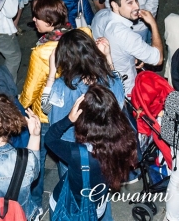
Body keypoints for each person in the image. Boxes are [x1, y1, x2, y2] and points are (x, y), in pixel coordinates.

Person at [46, 86, 137, 219]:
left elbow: (49, 139)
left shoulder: (77, 154)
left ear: (85, 120)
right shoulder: (125, 142)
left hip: (68, 207)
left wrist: (69, 119)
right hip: (97, 206)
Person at [19, 0, 75, 205]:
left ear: (50, 22)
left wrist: (20, 106)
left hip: (46, 113)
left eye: (38, 17)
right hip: (73, 109)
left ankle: (35, 201)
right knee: (67, 156)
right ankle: (68, 197)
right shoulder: (79, 35)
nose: (33, 20)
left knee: (37, 157)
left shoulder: (43, 51)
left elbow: (31, 88)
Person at [91, 0, 163, 95]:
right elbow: (158, 59)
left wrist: (133, 55)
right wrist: (153, 24)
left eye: (136, 0)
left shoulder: (101, 14)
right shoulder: (126, 35)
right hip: (125, 88)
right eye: (130, 2)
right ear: (115, 5)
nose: (137, 6)